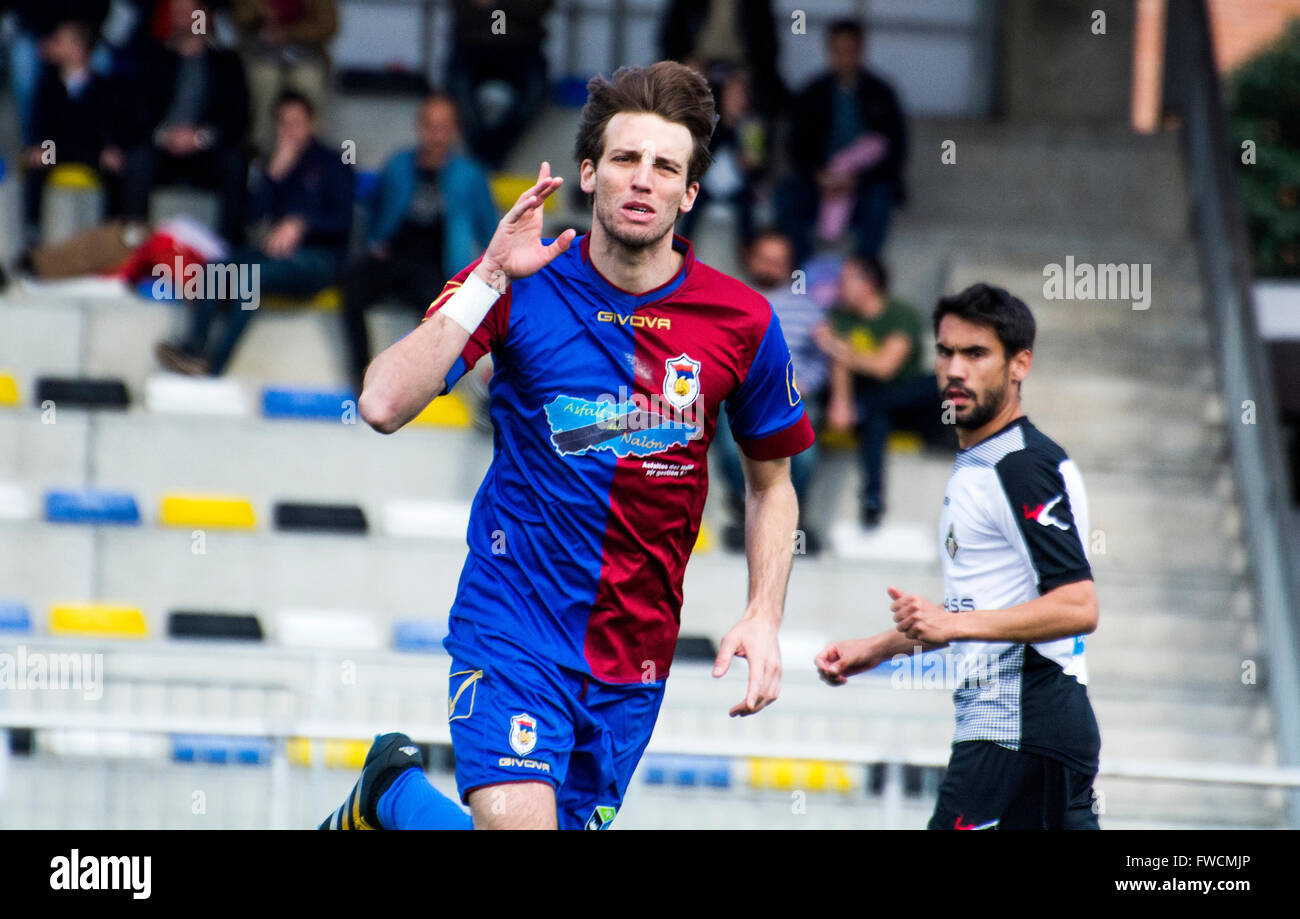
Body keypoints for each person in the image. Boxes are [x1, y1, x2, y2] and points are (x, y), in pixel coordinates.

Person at [320, 61, 813, 831]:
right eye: (625, 158)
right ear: (588, 173)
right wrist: (486, 272)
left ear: (688, 194)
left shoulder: (741, 321)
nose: (642, 179)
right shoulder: (519, 279)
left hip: (633, 658)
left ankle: (393, 798)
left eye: (665, 166)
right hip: (513, 625)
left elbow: (771, 483)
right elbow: (382, 401)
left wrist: (763, 611)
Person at [816, 283, 1102, 830]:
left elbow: (1078, 605)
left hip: (1017, 725)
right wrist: (875, 648)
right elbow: (978, 608)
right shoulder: (983, 462)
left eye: (976, 354)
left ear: (1020, 365)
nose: (954, 369)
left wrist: (952, 622)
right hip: (1031, 728)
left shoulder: (1020, 466)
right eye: (946, 352)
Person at [155, 90, 353, 375]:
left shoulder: (335, 162)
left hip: (319, 260)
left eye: (297, 122)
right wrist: (272, 176)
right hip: (274, 257)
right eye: (284, 123)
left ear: (312, 124)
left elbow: (343, 220)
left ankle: (212, 365)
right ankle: (193, 347)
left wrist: (301, 224)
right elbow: (251, 221)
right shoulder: (270, 165)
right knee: (215, 269)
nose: (290, 131)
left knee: (250, 278)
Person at [340, 93, 498, 393]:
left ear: (454, 130)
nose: (436, 135)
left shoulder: (470, 176)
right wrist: (373, 240)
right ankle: (362, 377)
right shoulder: (399, 164)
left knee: (435, 308)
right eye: (430, 125)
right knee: (353, 283)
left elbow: (489, 229)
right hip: (392, 258)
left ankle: (412, 386)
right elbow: (372, 206)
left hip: (438, 265)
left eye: (444, 127)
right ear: (419, 127)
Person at [714, 229, 827, 554]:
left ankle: (790, 517)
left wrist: (808, 382)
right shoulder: (727, 299)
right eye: (765, 259)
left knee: (803, 460)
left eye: (778, 262)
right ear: (750, 258)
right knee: (731, 452)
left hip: (790, 396)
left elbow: (822, 358)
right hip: (737, 395)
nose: (770, 267)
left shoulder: (807, 307)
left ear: (789, 265)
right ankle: (748, 506)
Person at [816, 255, 941, 528]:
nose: (839, 287)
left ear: (868, 284)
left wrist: (839, 347)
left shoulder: (900, 314)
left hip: (906, 398)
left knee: (939, 382)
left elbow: (886, 367)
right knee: (875, 418)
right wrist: (841, 401)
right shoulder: (840, 315)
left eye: (845, 281)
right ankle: (872, 501)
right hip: (869, 404)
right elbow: (839, 365)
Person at [777, 18, 906, 266]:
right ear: (829, 51)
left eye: (850, 51)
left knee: (881, 199)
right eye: (838, 51)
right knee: (786, 196)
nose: (844, 58)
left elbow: (895, 151)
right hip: (821, 181)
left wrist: (856, 178)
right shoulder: (813, 92)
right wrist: (819, 174)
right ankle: (803, 270)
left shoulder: (882, 93)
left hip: (864, 183)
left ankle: (862, 273)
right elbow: (796, 146)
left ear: (861, 50)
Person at [121, 0, 251, 244]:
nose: (180, 18)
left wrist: (200, 137)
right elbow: (135, 115)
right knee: (137, 157)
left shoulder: (227, 62)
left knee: (236, 162)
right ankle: (132, 242)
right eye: (175, 13)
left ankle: (226, 248)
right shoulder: (154, 59)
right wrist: (165, 136)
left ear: (203, 16)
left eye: (186, 12)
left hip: (206, 150)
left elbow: (238, 118)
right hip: (162, 149)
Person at [22, 18, 125, 245]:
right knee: (36, 163)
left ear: (79, 48)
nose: (53, 45)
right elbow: (41, 127)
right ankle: (35, 231)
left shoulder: (103, 86)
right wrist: (41, 148)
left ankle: (111, 236)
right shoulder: (47, 85)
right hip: (58, 151)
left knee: (113, 167)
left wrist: (109, 148)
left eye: (60, 42)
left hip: (91, 153)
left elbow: (108, 127)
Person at [445, 0, 552, 170]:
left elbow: (539, 8)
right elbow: (461, 9)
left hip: (523, 49)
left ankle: (494, 154)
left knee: (535, 93)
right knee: (459, 92)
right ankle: (485, 157)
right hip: (472, 47)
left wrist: (495, 5)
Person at [676, 67, 768, 249]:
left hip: (738, 187)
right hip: (707, 185)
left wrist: (750, 160)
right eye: (732, 94)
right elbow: (699, 154)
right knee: (691, 204)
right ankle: (681, 249)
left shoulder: (752, 125)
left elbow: (758, 165)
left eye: (741, 95)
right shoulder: (709, 123)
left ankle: (747, 253)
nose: (737, 99)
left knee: (747, 210)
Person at [232, 0, 338, 152]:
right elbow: (240, 17)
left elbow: (329, 25)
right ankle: (259, 150)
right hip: (259, 51)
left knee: (308, 82)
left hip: (306, 52)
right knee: (264, 82)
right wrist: (261, 14)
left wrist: (289, 33)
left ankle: (310, 151)